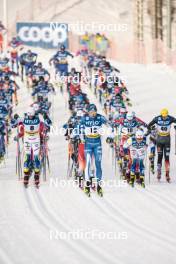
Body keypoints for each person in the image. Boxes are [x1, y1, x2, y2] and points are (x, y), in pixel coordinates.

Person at [78, 103, 111, 196]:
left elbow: (110, 125)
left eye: (94, 112)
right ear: (88, 112)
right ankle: (87, 186)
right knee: (88, 164)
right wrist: (81, 137)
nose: (93, 114)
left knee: (98, 164)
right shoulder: (84, 118)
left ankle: (99, 186)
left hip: (97, 144)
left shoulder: (100, 117)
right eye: (91, 112)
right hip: (88, 144)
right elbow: (79, 127)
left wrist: (110, 134)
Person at [15, 107, 46, 187]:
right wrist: (18, 134)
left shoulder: (38, 118)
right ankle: (26, 175)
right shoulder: (25, 119)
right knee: (27, 157)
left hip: (36, 140)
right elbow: (17, 124)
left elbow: (44, 125)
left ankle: (36, 176)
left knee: (36, 158)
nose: (31, 117)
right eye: (29, 116)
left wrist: (45, 129)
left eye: (32, 116)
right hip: (27, 140)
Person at [148, 108, 176, 182]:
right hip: (159, 139)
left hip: (167, 139)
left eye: (165, 116)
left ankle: (167, 174)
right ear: (161, 114)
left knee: (167, 157)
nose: (164, 117)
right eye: (163, 116)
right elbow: (149, 124)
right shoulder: (157, 118)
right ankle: (159, 172)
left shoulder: (170, 118)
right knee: (160, 156)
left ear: (167, 114)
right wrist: (149, 129)